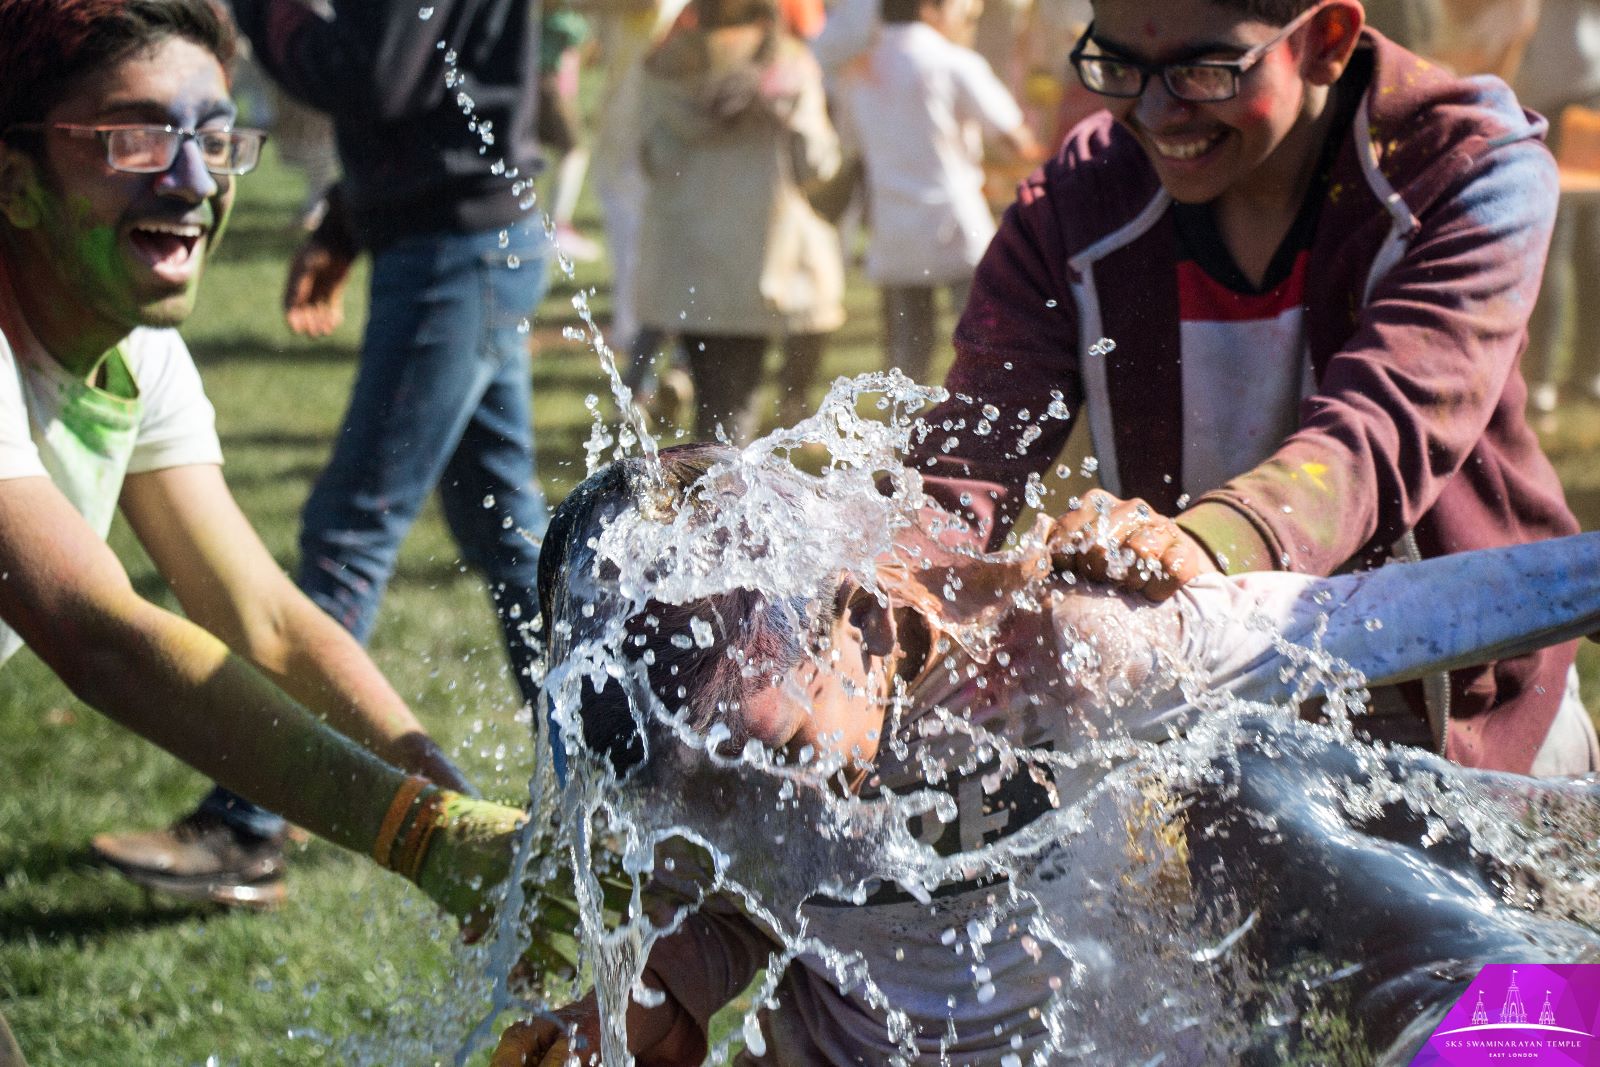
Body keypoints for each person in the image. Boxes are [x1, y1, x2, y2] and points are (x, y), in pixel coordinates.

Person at [492, 445, 1600, 1065]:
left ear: (857, 622)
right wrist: (624, 1021)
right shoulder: (692, 759)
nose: (746, 798)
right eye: (700, 779)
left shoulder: (1059, 648)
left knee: (1276, 798)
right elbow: (697, 930)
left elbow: (1375, 618)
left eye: (768, 753)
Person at [0, 3, 526, 1057]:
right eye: (135, 138)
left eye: (214, 136)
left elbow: (266, 620)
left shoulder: (133, 348)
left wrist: (463, 815)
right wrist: (418, 835)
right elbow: (99, 634)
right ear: (14, 178)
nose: (193, 181)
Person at [899, 0, 1593, 777]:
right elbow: (963, 464)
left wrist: (1198, 542)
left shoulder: (1466, 167)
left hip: (1478, 723)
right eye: (1120, 66)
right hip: (1206, 719)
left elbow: (1385, 424)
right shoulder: (1073, 206)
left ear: (1325, 40)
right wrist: (875, 612)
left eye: (1205, 70)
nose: (1157, 110)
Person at [90, 0, 559, 894]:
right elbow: (429, 77)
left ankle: (246, 821)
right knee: (509, 538)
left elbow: (371, 72)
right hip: (465, 232)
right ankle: (617, 778)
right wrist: (350, 216)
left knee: (351, 529)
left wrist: (266, 15)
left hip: (455, 249)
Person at [635, 0, 845, 442]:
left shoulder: (665, 65)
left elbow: (650, 159)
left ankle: (705, 494)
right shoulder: (785, 63)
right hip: (761, 254)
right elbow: (816, 164)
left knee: (713, 397)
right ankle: (722, 501)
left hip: (688, 257)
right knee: (737, 410)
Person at [836, 0, 1040, 384]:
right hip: (956, 223)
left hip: (893, 227)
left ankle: (903, 441)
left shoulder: (858, 71)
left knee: (903, 363)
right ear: (930, 9)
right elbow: (1014, 137)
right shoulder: (954, 62)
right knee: (988, 343)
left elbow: (852, 146)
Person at [1516, 0, 1600, 415]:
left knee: (1574, 238)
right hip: (1553, 92)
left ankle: (1567, 375)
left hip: (1579, 92)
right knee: (1563, 238)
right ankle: (1553, 376)